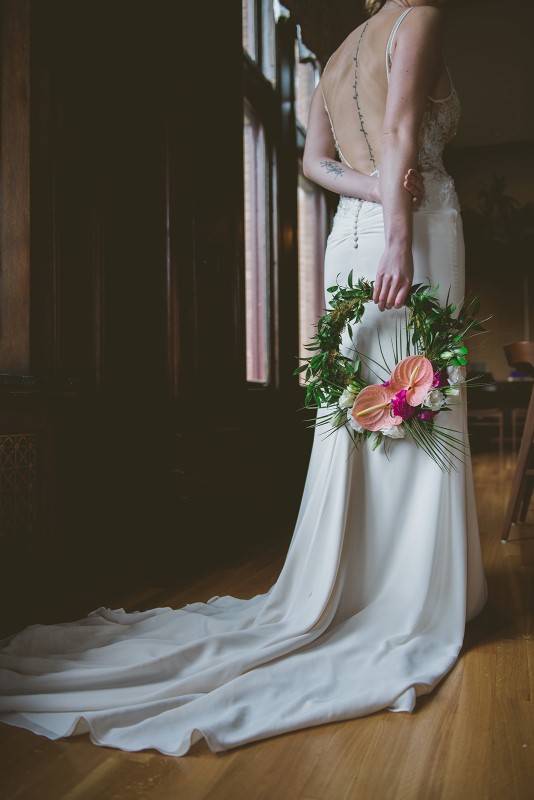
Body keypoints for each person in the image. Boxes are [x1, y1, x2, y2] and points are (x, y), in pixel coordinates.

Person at [0, 0, 487, 756]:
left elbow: (313, 164)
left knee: (369, 412)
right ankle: (412, 592)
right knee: (417, 397)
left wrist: (366, 206)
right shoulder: (419, 15)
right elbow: (397, 136)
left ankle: (363, 582)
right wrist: (396, 238)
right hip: (408, 233)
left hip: (349, 238)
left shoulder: (338, 52)